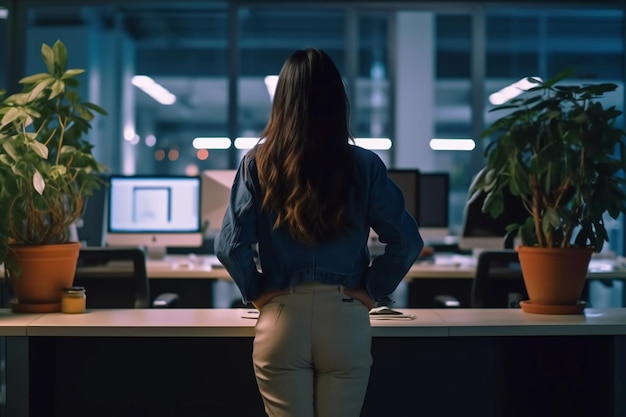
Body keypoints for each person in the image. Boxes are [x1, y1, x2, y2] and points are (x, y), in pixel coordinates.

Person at [215, 48, 423, 417]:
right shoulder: (365, 164)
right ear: (337, 101)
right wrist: (372, 289)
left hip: (282, 317)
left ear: (282, 102)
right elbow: (406, 242)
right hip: (346, 318)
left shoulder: (257, 163)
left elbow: (231, 246)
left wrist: (257, 290)